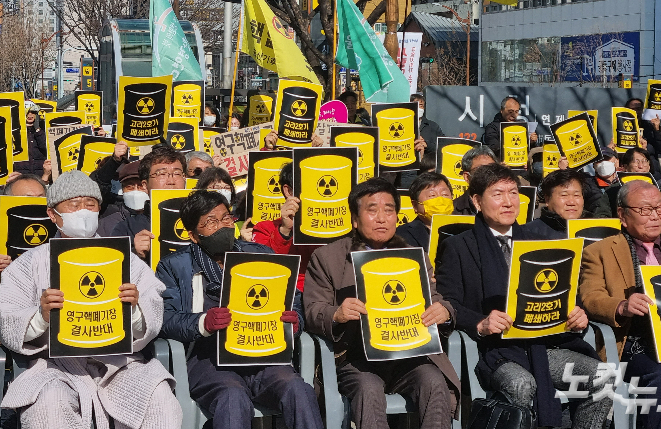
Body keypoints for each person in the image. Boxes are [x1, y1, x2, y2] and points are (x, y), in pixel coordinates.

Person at [434, 163, 612, 429]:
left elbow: (562, 295)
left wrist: (576, 313)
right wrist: (480, 323)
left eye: (514, 193)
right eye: (498, 194)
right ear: (476, 201)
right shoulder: (458, 247)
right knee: (520, 384)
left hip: (544, 346)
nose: (508, 202)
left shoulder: (539, 242)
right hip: (495, 350)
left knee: (603, 377)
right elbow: (451, 304)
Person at [0, 170, 182, 428]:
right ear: (53, 215)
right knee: (48, 408)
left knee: (160, 399)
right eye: (73, 205)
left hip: (120, 362)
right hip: (55, 365)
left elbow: (153, 310)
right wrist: (40, 317)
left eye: (90, 204)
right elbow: (7, 317)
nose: (83, 211)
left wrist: (135, 309)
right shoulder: (28, 263)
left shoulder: (124, 259)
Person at [155, 190, 322, 429]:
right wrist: (202, 323)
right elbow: (165, 319)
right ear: (193, 235)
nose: (223, 226)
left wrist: (295, 321)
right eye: (211, 222)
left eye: (226, 218)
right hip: (209, 360)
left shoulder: (260, 254)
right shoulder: (173, 266)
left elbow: (294, 299)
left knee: (299, 390)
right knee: (233, 398)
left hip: (265, 355)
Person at [304, 178, 461, 429]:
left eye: (389, 210)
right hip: (356, 358)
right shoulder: (327, 257)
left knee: (433, 381)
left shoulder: (414, 256)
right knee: (368, 388)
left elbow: (436, 299)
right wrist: (337, 314)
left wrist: (445, 311)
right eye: (372, 210)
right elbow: (312, 310)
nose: (381, 218)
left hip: (408, 355)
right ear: (355, 219)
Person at [579, 180, 661, 429]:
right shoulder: (600, 251)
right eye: (645, 210)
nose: (655, 216)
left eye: (659, 208)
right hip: (635, 342)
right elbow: (590, 297)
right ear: (623, 215)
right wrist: (621, 306)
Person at [252, 162, 319, 291]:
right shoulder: (264, 228)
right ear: (288, 191)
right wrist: (284, 231)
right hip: (290, 298)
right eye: (307, 185)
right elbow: (264, 269)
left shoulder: (337, 228)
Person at [111, 146, 187, 260]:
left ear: (185, 178)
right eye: (162, 174)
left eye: (177, 174)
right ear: (145, 185)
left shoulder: (203, 219)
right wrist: (134, 254)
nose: (171, 181)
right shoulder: (126, 228)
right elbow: (115, 269)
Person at [396, 172, 453, 251]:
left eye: (445, 194)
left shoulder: (464, 230)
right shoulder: (402, 235)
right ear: (415, 205)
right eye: (432, 195)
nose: (440, 200)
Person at [527, 169, 588, 239]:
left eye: (576, 195)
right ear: (547, 199)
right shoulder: (528, 234)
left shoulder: (595, 231)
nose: (571, 202)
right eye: (564, 195)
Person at [97, 160, 149, 237]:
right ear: (122, 189)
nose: (135, 191)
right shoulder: (106, 225)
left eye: (141, 186)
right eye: (129, 187)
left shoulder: (161, 218)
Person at [452, 146, 498, 215]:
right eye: (480, 169)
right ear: (467, 177)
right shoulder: (453, 210)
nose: (488, 173)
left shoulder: (505, 205)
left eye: (492, 168)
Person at [13, 104, 47, 178]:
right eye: (27, 112)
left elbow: (45, 146)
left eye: (33, 112)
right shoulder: (15, 131)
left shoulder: (43, 128)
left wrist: (38, 129)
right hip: (21, 174)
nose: (30, 115)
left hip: (39, 174)